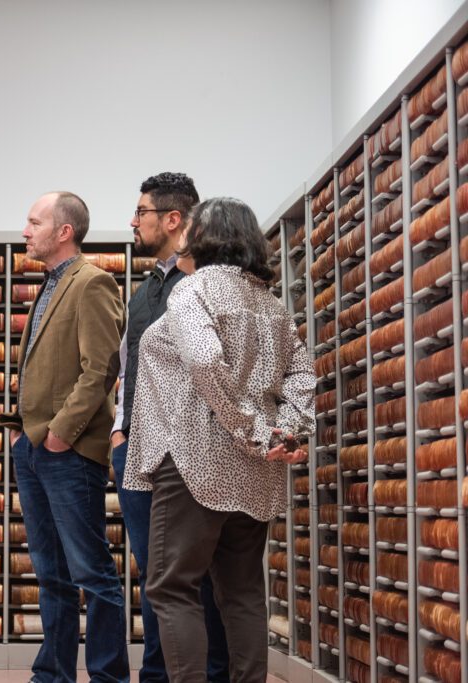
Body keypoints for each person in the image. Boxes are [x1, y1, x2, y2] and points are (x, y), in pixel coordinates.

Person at [127, 197, 314, 682]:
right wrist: (285, 431)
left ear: (205, 235)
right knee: (243, 591)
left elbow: (206, 362)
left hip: (195, 459)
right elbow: (301, 374)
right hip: (258, 471)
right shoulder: (271, 304)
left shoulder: (192, 292)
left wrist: (251, 430)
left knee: (171, 587)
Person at [0, 191, 128, 683]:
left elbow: (101, 368)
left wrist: (58, 435)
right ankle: (52, 674)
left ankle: (108, 677)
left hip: (68, 452)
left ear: (63, 231)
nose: (25, 231)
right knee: (50, 574)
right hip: (33, 450)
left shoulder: (92, 283)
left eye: (34, 222)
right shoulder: (50, 286)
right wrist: (26, 436)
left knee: (93, 575)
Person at [112, 172, 229, 681]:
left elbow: (218, 369)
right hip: (137, 450)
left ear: (173, 219)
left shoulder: (205, 285)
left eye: (141, 212)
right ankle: (159, 676)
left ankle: (206, 675)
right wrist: (120, 430)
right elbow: (127, 363)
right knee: (155, 577)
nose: (133, 222)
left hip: (186, 454)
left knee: (194, 579)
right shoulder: (143, 291)